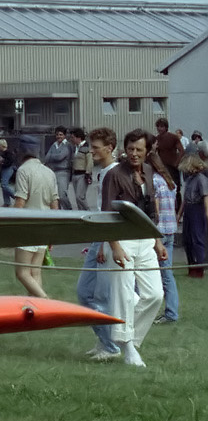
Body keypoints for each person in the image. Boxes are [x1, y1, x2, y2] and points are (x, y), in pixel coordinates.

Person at [102, 128, 167, 367]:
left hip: (145, 240)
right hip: (122, 241)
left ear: (147, 151)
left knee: (154, 295)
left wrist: (158, 241)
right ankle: (128, 347)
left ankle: (128, 338)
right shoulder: (114, 175)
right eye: (130, 149)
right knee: (124, 296)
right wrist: (114, 247)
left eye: (139, 149)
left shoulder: (149, 172)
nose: (134, 153)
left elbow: (151, 212)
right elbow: (106, 214)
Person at [76, 127, 122, 360]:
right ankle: (105, 340)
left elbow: (111, 213)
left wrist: (105, 243)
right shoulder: (102, 172)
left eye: (95, 147)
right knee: (85, 293)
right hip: (99, 237)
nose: (91, 151)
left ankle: (111, 346)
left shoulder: (113, 173)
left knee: (99, 296)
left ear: (109, 148)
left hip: (106, 239)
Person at [12, 135, 58, 298]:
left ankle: (46, 302)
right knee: (35, 272)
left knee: (22, 272)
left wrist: (10, 225)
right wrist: (53, 232)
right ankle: (38, 309)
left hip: (27, 227)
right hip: (45, 227)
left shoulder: (23, 171)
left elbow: (20, 202)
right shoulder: (49, 172)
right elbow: (55, 204)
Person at [151, 160, 179, 323]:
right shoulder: (170, 182)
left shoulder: (153, 182)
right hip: (171, 228)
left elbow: (156, 209)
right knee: (167, 273)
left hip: (159, 231)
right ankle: (171, 312)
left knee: (155, 273)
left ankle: (170, 313)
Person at [181, 153, 207, 279]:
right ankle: (191, 265)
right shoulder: (189, 179)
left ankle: (199, 267)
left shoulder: (201, 179)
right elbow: (185, 200)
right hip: (189, 209)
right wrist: (179, 214)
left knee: (197, 238)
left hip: (197, 208)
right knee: (187, 239)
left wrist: (206, 213)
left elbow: (205, 196)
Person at [44, 126, 73, 209]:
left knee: (62, 195)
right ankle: (59, 212)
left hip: (63, 172)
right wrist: (52, 157)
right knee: (55, 196)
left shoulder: (67, 145)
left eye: (61, 134)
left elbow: (60, 157)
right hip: (53, 172)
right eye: (57, 135)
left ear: (64, 135)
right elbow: (46, 157)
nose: (58, 136)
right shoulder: (54, 145)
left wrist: (51, 156)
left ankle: (69, 211)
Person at [68, 128, 90, 212]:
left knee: (79, 196)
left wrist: (88, 173)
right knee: (77, 198)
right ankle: (81, 212)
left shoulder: (86, 148)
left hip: (82, 174)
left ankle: (88, 211)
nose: (72, 139)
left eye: (73, 137)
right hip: (75, 174)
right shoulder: (75, 148)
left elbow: (89, 161)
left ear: (79, 138)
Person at [0, 138, 17, 206]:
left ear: (2, 145)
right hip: (6, 168)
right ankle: (7, 202)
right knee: (4, 185)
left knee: (4, 185)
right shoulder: (4, 153)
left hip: (8, 168)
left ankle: (15, 196)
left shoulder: (8, 153)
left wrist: (2, 162)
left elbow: (10, 161)